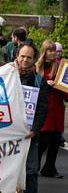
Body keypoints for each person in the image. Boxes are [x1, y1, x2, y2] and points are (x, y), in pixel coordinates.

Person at [12, 42, 48, 193]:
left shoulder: (40, 81)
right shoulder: (7, 77)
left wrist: (35, 129)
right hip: (8, 134)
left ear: (34, 60)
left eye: (29, 57)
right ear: (17, 57)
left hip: (29, 135)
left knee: (31, 172)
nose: (25, 60)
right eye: (22, 56)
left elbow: (42, 108)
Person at [36, 40, 67, 178]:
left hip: (57, 108)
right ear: (44, 52)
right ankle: (33, 167)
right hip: (43, 109)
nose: (53, 53)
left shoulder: (60, 68)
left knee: (55, 142)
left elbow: (65, 90)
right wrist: (45, 84)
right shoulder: (37, 67)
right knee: (42, 142)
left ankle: (49, 168)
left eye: (54, 50)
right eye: (50, 50)